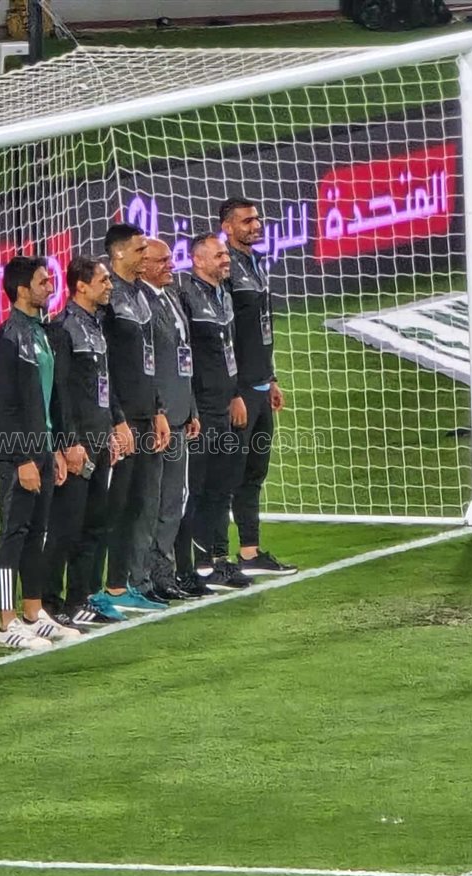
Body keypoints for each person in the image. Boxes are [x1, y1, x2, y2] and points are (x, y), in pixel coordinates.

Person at [0, 256, 80, 650]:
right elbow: (4, 406)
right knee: (14, 535)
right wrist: (22, 458)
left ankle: (33, 613)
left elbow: (49, 400)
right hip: (19, 454)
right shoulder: (7, 338)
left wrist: (55, 448)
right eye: (43, 281)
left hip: (42, 449)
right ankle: (5, 624)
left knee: (37, 534)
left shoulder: (40, 333)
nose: (50, 287)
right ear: (22, 290)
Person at [43, 257, 127, 627]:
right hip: (78, 444)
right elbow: (60, 392)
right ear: (81, 286)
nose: (109, 285)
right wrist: (69, 442)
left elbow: (103, 384)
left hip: (99, 437)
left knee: (93, 524)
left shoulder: (95, 323)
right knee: (66, 528)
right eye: (103, 280)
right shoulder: (63, 328)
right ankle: (49, 603)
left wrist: (114, 425)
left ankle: (79, 598)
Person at [92, 224, 171, 613]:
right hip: (120, 421)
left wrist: (158, 410)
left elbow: (147, 362)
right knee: (115, 507)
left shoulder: (140, 294)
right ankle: (98, 589)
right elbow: (103, 367)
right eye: (140, 250)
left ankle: (123, 584)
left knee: (141, 503)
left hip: (145, 416)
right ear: (119, 253)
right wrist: (117, 419)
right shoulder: (107, 301)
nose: (146, 256)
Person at [220, 197, 297, 577]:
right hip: (241, 390)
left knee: (254, 473)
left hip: (261, 385)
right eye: (247, 221)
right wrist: (233, 390)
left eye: (257, 219)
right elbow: (225, 336)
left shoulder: (255, 262)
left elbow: (261, 329)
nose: (256, 225)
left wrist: (272, 377)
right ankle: (213, 559)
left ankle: (249, 552)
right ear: (227, 227)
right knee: (228, 474)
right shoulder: (226, 271)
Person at [176, 234, 252, 592]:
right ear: (198, 261)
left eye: (226, 254)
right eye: (219, 255)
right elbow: (185, 358)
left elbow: (229, 351)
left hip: (226, 405)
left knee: (223, 486)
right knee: (198, 489)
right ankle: (198, 564)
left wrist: (235, 394)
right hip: (202, 409)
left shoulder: (223, 294)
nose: (226, 259)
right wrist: (192, 408)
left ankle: (220, 560)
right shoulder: (185, 297)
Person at [141, 239, 202, 601]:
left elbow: (183, 357)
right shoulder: (141, 304)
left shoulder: (171, 297)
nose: (171, 265)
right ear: (143, 264)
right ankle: (146, 575)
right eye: (162, 260)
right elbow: (145, 369)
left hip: (179, 414)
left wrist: (191, 407)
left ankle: (164, 571)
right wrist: (159, 410)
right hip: (158, 420)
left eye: (170, 259)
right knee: (155, 500)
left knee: (174, 499)